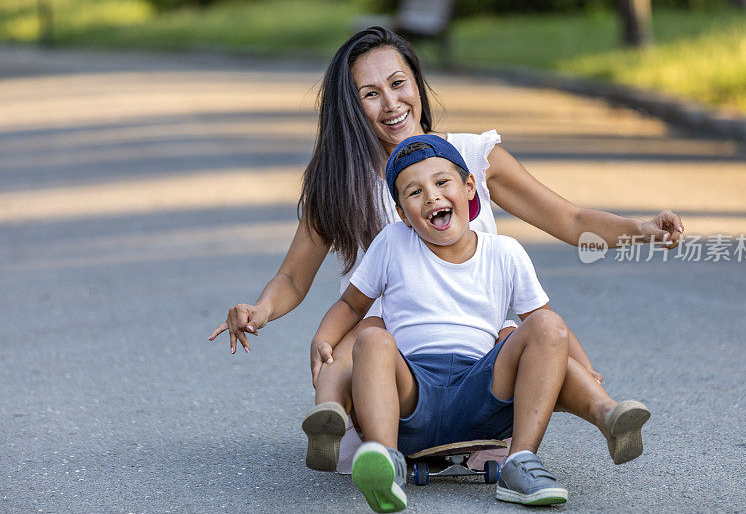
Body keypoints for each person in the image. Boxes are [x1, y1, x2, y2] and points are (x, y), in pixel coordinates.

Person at [208, 26, 682, 471]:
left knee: (525, 335)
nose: (391, 103)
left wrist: (640, 229)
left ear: (417, 82)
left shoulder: (473, 157)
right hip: (393, 361)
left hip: (478, 345)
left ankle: (567, 427)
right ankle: (366, 437)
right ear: (351, 108)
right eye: (370, 94)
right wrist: (261, 309)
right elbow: (293, 277)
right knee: (359, 338)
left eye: (398, 83)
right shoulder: (339, 182)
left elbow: (573, 221)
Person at [311, 134, 648, 511]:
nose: (432, 197)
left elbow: (548, 331)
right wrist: (323, 338)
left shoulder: (504, 253)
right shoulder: (393, 242)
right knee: (372, 339)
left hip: (482, 389)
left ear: (469, 186)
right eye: (415, 192)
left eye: (442, 183)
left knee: (547, 324)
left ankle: (521, 461)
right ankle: (385, 461)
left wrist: (584, 371)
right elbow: (351, 305)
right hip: (411, 395)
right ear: (403, 213)